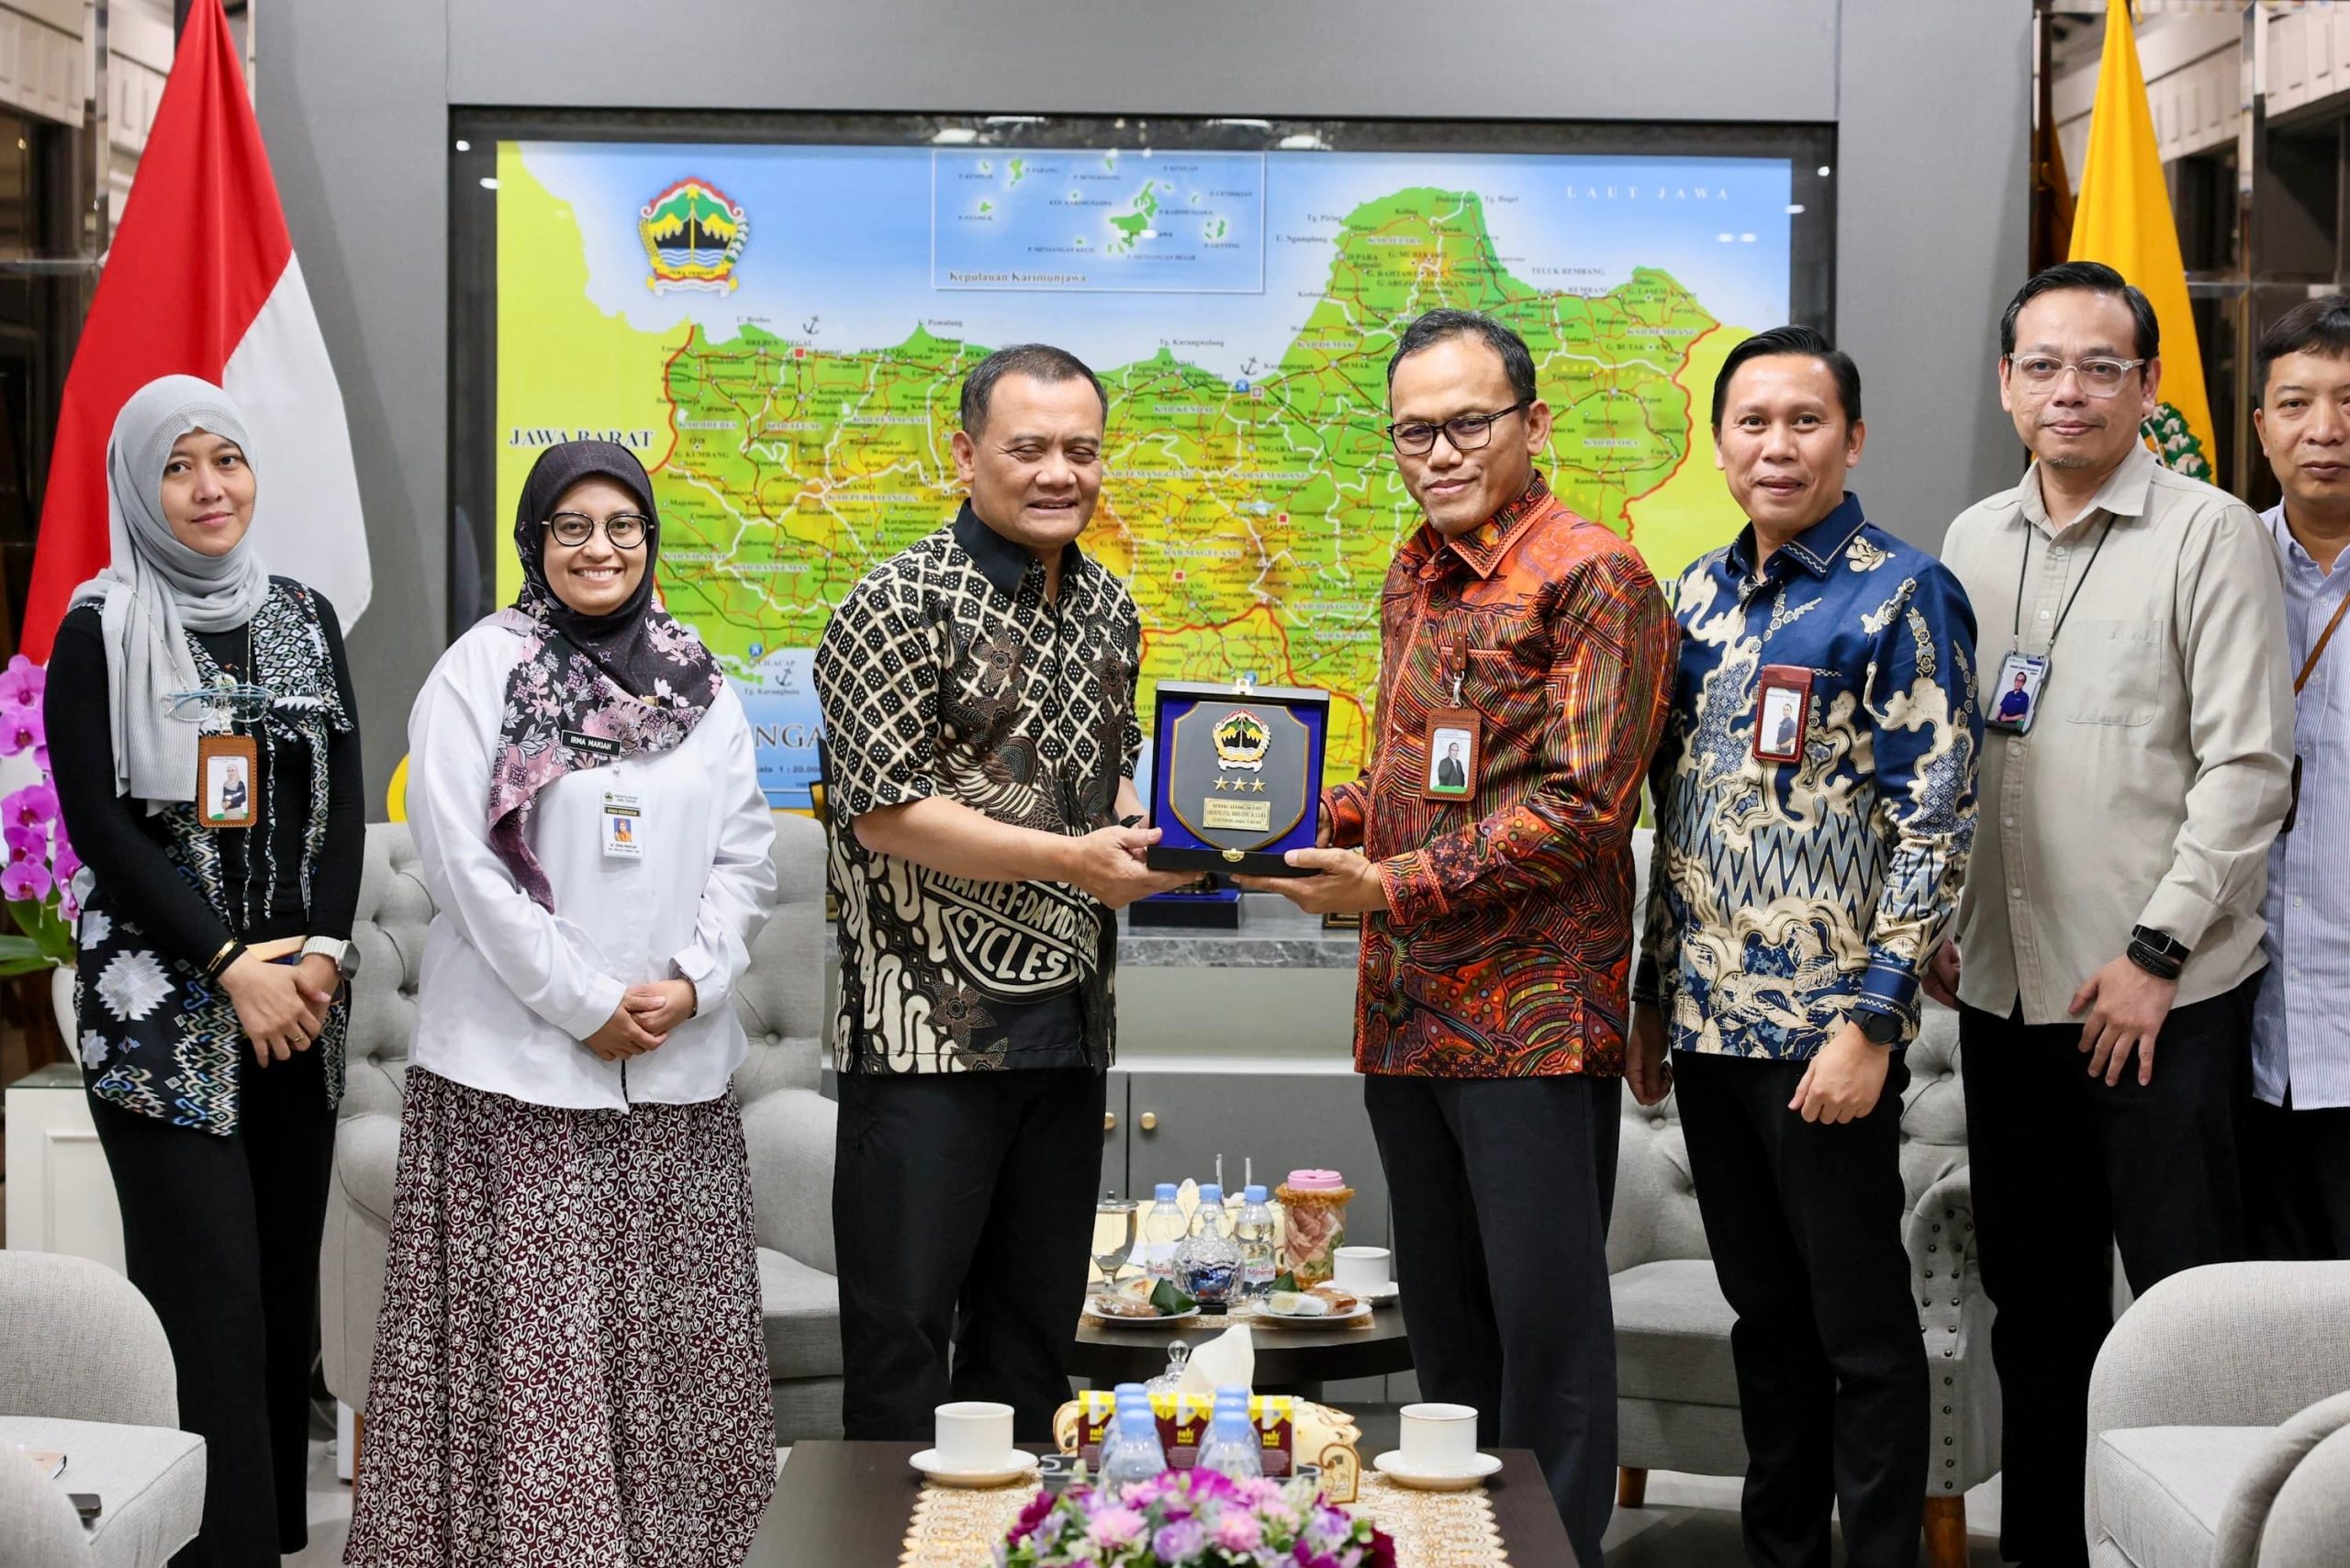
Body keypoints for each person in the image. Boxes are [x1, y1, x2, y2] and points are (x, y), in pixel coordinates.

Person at [1237, 308, 1675, 1564]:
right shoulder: (1416, 571)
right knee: (1447, 1336)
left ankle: (1550, 1555)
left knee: (1545, 1343)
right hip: (1406, 1012)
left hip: (1531, 1022)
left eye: (1466, 424)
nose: (1437, 452)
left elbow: (1584, 809)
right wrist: (1276, 822)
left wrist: (1388, 885)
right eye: (1413, 431)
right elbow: (1412, 782)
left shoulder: (1597, 576)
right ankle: (1455, 1547)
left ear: (1533, 424)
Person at [347, 441, 779, 1565]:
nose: (600, 548)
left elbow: (746, 857)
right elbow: (461, 867)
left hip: (676, 1079)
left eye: (622, 525)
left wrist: (693, 981)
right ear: (534, 540)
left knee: (672, 1356)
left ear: (650, 538)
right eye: (571, 526)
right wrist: (584, 1002)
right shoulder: (480, 670)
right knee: (538, 1365)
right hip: (517, 1080)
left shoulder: (695, 679)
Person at [1930, 262, 2294, 1568]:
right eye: (2041, 365)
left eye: (2100, 367)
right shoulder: (1971, 540)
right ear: (2006, 383)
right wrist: (1940, 920)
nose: (2068, 391)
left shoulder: (2211, 534)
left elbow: (2248, 767)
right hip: (2005, 993)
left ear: (2146, 386)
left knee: (2189, 1317)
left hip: (2159, 1003)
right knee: (2036, 1313)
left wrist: (2155, 952)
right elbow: (1954, 752)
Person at [1630, 326, 1981, 1568]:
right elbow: (1676, 812)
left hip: (1828, 1039)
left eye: (1805, 421)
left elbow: (1935, 824)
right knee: (1763, 1323)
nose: (1776, 446)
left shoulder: (1903, 593)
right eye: (1753, 422)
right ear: (1720, 442)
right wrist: (1650, 998)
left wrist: (1873, 1023)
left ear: (1853, 438)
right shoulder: (1694, 596)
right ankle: (1781, 1553)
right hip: (1707, 1030)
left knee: (1861, 1335)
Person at [813, 344, 1192, 1443]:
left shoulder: (1110, 606)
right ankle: (890, 1537)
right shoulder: (893, 603)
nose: (1058, 472)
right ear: (966, 453)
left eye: (1082, 449)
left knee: (1031, 1353)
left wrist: (1178, 833)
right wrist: (1075, 860)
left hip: (1068, 1037)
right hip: (923, 1046)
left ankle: (1024, 1534)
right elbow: (886, 811)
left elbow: (1109, 777)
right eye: (1029, 448)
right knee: (904, 1352)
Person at [47, 375, 363, 1567]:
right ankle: (206, 1550)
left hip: (301, 1004)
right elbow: (100, 828)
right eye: (177, 467)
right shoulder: (101, 629)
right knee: (206, 1297)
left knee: (280, 1294)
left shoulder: (303, 615)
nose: (208, 488)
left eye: (224, 459)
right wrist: (231, 964)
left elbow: (340, 802)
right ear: (140, 487)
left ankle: (264, 1538)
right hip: (162, 1005)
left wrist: (321, 953)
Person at [2243, 295, 2350, 1260]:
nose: (2325, 429)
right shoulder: (2211, 568)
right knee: (2249, 1322)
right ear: (2260, 426)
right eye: (2297, 402)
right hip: (2235, 1038)